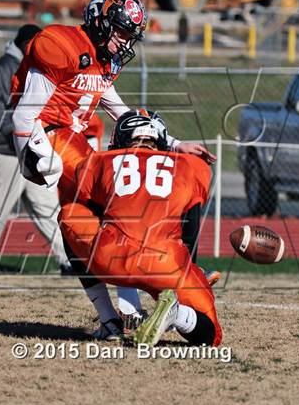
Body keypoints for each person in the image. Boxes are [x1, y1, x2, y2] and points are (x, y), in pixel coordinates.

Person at [11, 0, 216, 332]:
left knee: (76, 227)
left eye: (129, 35)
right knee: (115, 207)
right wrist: (33, 153)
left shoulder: (103, 60)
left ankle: (112, 317)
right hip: (50, 138)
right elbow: (23, 116)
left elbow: (119, 110)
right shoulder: (61, 46)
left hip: (72, 141)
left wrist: (173, 143)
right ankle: (161, 286)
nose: (125, 42)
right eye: (121, 32)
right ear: (101, 22)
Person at [59, 110, 222, 347]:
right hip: (167, 265)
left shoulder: (98, 162)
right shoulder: (190, 166)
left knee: (69, 214)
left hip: (112, 258)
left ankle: (108, 320)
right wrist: (190, 271)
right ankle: (180, 314)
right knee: (211, 335)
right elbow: (190, 227)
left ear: (119, 140)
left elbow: (90, 208)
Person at [0, 25, 71, 275]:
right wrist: (20, 129)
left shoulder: (39, 68)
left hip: (32, 150)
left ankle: (69, 259)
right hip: (6, 150)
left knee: (48, 210)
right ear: (26, 44)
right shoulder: (4, 67)